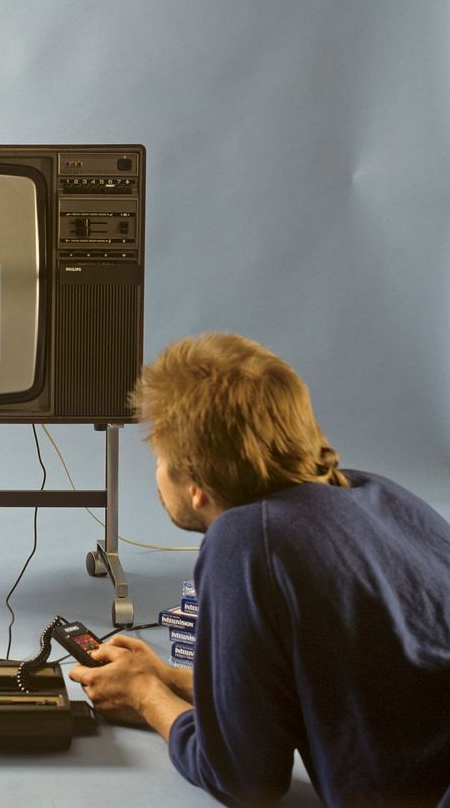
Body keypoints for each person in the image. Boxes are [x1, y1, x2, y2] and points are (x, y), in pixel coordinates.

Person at [70, 333, 450, 807]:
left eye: (160, 458)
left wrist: (146, 696)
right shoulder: (380, 495)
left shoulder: (247, 539)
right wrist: (167, 675)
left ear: (196, 486)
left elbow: (244, 780)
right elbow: (314, 690)